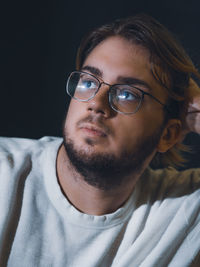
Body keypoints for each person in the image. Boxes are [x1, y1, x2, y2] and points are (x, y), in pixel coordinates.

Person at [0, 14, 200, 267]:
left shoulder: (182, 209)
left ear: (168, 134)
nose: (96, 103)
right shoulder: (5, 174)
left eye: (127, 94)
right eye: (88, 82)